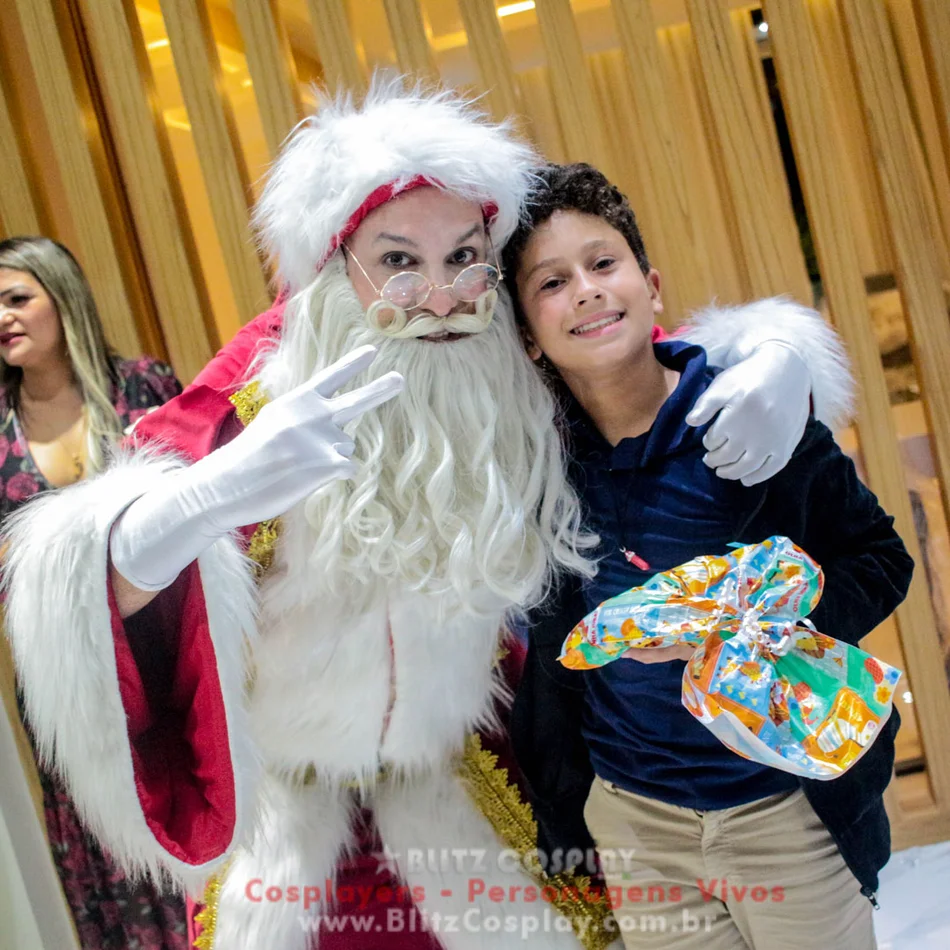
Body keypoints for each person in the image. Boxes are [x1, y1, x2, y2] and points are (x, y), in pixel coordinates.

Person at [2, 83, 855, 950]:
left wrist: (779, 352)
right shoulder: (263, 388)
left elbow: (644, 362)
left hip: (474, 783)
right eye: (400, 261)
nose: (442, 297)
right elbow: (89, 577)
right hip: (294, 820)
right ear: (337, 267)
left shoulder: (505, 366)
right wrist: (215, 492)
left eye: (465, 258)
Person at [503, 163, 913, 950]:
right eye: (551, 282)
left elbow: (879, 557)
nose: (585, 291)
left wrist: (748, 632)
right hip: (637, 823)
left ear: (652, 286)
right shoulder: (538, 466)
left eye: (603, 263)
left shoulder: (749, 418)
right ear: (528, 334)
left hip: (785, 807)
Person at [0, 236, 186, 948]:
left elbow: (197, 499)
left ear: (63, 296)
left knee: (194, 812)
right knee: (112, 853)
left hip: (168, 650)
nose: (3, 318)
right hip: (65, 676)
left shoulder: (142, 387)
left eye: (17, 298)